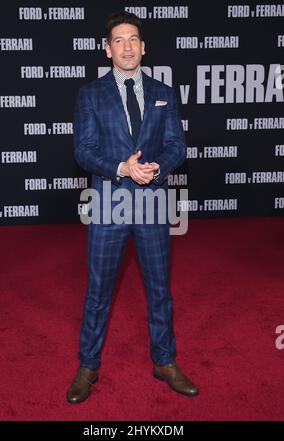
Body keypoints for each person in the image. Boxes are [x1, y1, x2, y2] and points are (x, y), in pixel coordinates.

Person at [67, 11, 199, 404]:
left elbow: (177, 145)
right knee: (99, 289)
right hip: (109, 202)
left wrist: (158, 168)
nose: (127, 47)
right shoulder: (90, 94)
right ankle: (88, 364)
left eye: (133, 39)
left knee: (159, 289)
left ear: (144, 46)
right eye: (119, 40)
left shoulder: (164, 91)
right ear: (108, 50)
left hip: (153, 202)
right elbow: (84, 151)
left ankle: (164, 360)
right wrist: (122, 167)